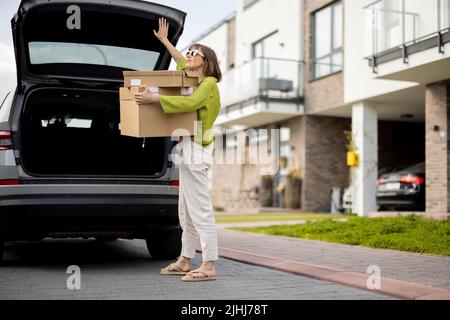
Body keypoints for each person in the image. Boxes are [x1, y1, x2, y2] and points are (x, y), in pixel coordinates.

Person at [134, 18, 222, 282]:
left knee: (200, 210)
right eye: (190, 51)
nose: (189, 55)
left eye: (195, 52)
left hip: (197, 151)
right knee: (185, 211)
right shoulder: (194, 78)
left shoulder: (207, 84)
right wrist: (165, 41)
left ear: (206, 61)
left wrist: (155, 98)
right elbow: (179, 60)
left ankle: (209, 264)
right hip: (187, 149)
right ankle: (185, 259)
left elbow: (190, 103)